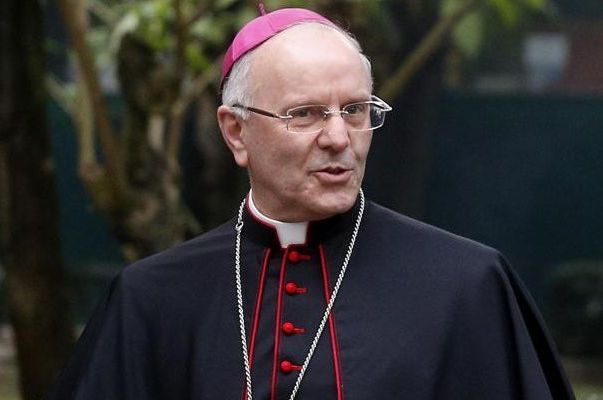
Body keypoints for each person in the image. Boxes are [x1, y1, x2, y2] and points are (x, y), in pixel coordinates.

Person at [48, 6, 575, 400]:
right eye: (304, 114)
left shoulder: (468, 286)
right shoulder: (151, 299)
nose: (339, 138)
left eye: (355, 110)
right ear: (236, 132)